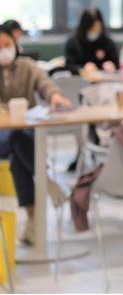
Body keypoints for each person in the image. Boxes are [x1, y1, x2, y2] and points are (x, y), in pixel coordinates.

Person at [0, 25, 72, 244]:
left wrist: (55, 96)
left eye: (6, 45)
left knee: (17, 160)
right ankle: (47, 180)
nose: (3, 50)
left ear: (15, 45)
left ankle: (33, 224)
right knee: (15, 137)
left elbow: (45, 84)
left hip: (25, 133)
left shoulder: (27, 66)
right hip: (2, 135)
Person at [64, 8, 120, 73]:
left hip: (104, 76)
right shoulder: (73, 43)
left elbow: (117, 64)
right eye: (91, 28)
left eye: (97, 28)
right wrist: (82, 68)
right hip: (80, 77)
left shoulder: (107, 42)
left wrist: (111, 65)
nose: (94, 31)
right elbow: (69, 66)